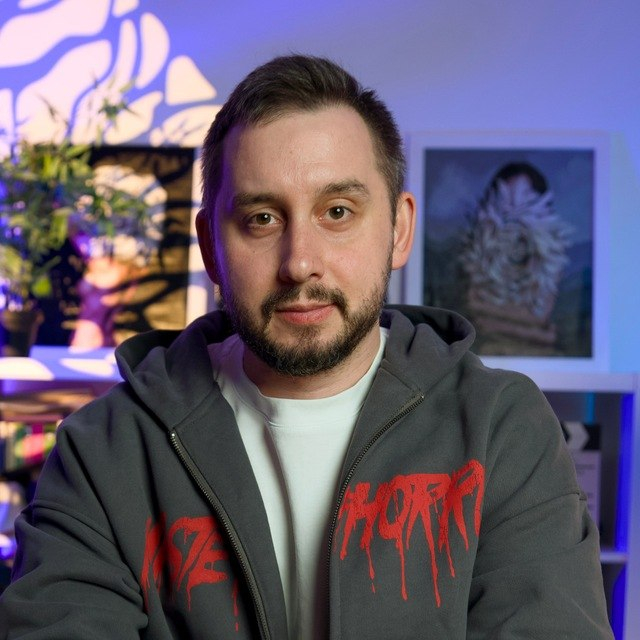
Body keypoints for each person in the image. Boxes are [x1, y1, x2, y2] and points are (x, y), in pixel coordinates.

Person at [0, 55, 613, 639]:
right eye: (262, 219)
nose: (299, 263)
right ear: (210, 245)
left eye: (337, 211)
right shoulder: (105, 449)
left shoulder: (502, 427)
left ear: (399, 229)